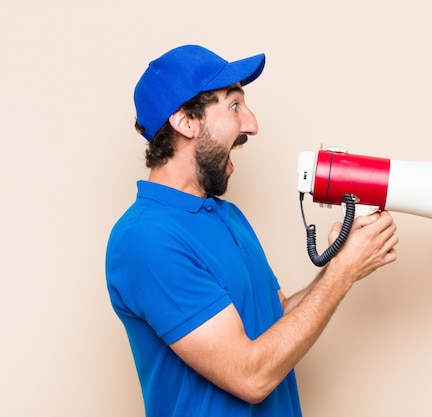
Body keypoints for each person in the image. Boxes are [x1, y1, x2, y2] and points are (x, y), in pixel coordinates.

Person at [105, 44, 399, 417]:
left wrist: (342, 262)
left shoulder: (226, 215)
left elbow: (275, 319)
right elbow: (251, 376)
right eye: (233, 106)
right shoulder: (145, 238)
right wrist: (341, 275)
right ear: (185, 122)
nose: (252, 124)